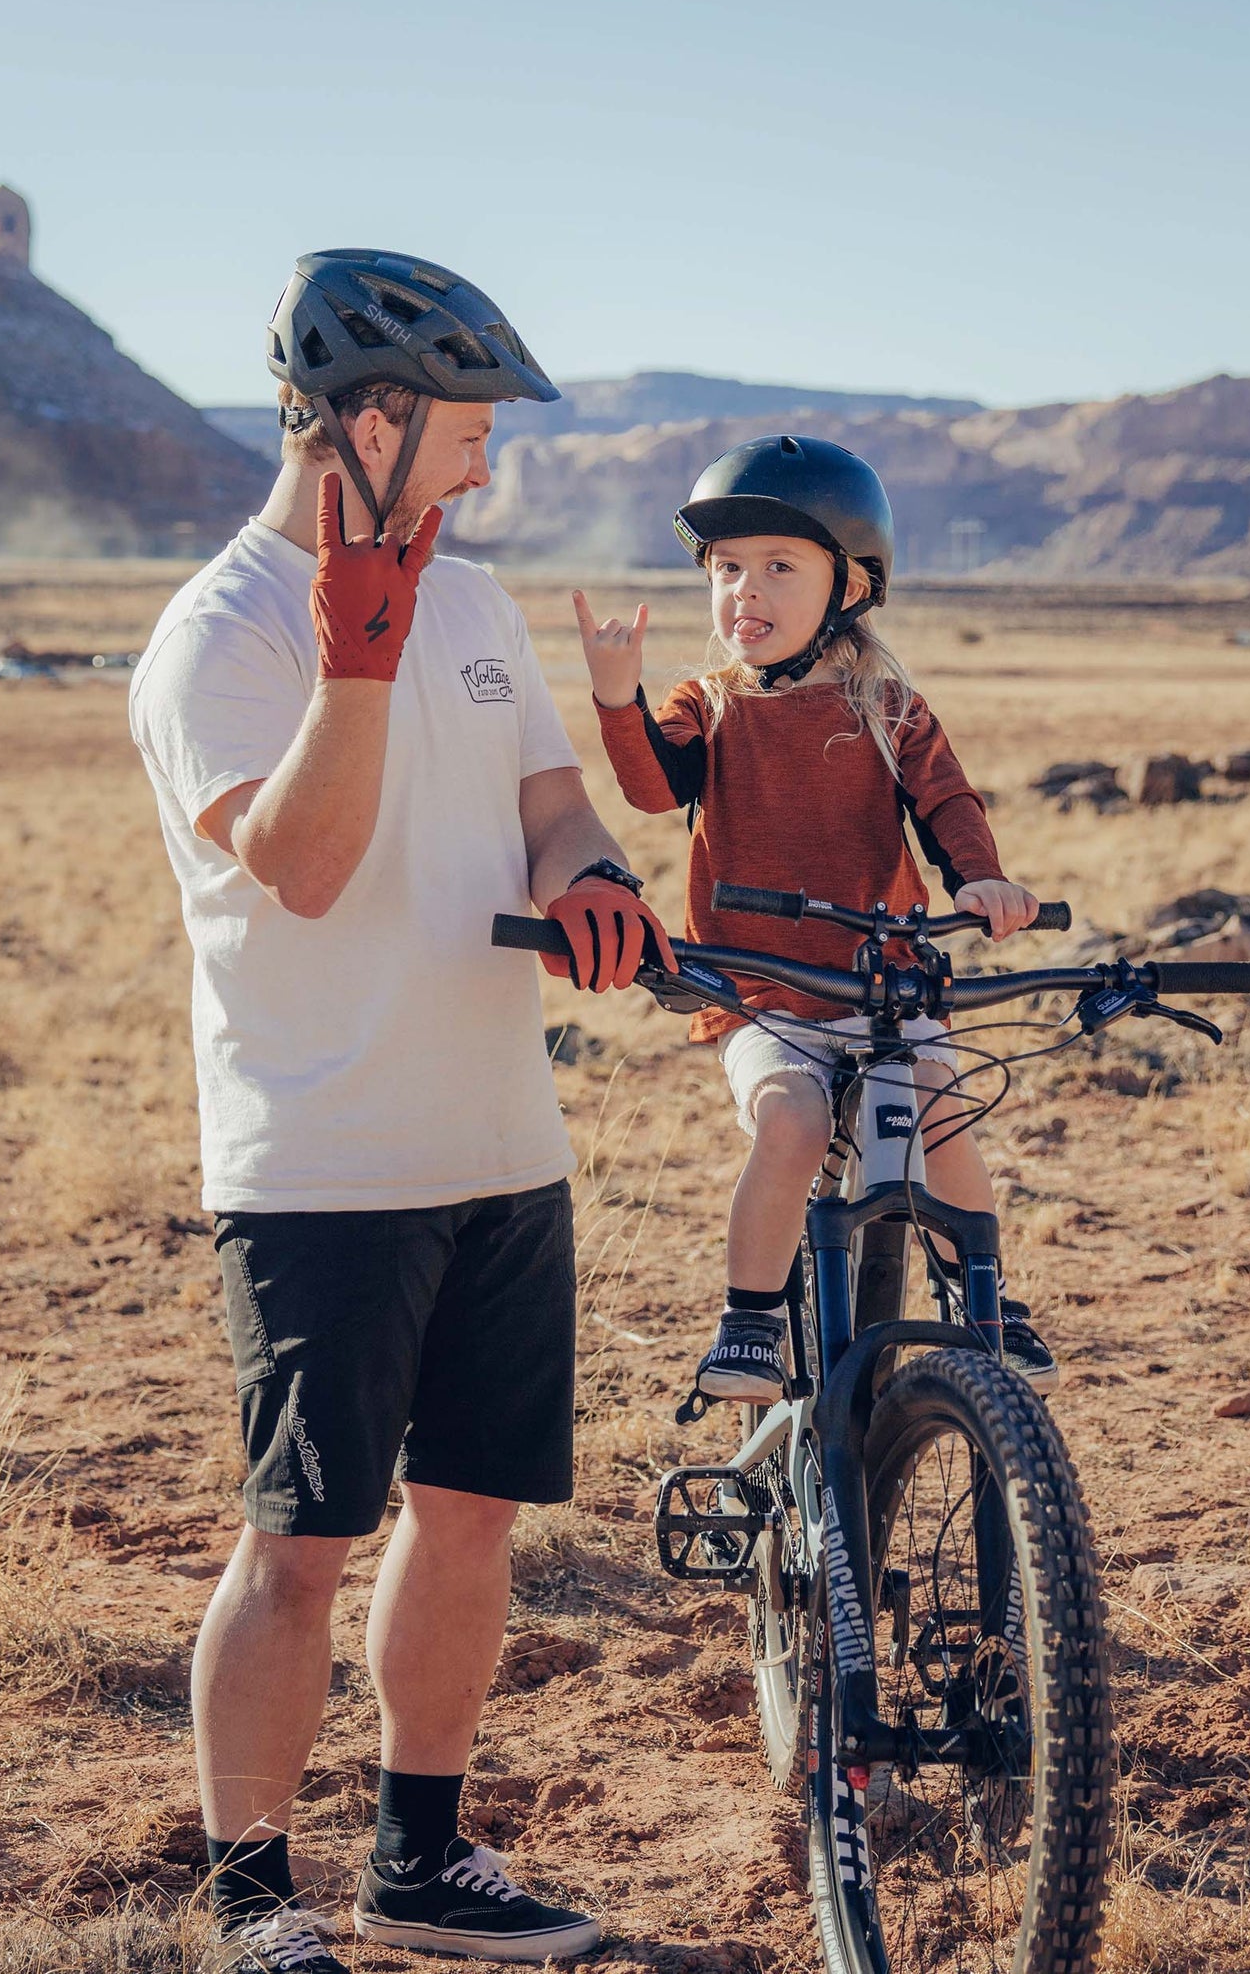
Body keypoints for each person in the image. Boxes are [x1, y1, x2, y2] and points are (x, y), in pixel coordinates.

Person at [129, 250, 671, 1972]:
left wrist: (592, 879)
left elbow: (552, 806)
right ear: (370, 424)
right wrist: (347, 664)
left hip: (503, 1142)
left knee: (469, 1516)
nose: (485, 468)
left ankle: (417, 1864)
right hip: (324, 1161)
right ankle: (250, 1895)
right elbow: (300, 866)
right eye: (464, 432)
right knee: (300, 1543)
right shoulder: (217, 634)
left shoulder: (477, 606)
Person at [572, 434, 1059, 1410]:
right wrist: (617, 699)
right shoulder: (707, 705)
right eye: (726, 569)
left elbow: (947, 804)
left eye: (777, 567)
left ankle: (983, 1296)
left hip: (882, 988)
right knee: (790, 1120)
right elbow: (651, 785)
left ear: (850, 584)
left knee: (937, 1100)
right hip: (765, 995)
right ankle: (749, 1319)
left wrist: (983, 882)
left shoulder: (887, 705)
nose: (743, 590)